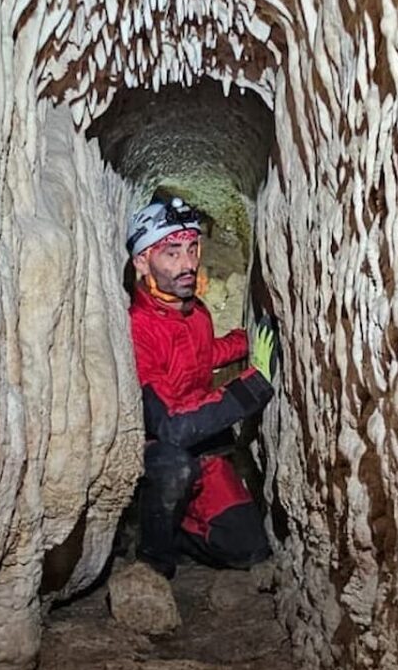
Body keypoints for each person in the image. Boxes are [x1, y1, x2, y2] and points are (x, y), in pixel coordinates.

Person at [125, 196, 277, 579]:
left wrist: (249, 340)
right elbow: (171, 427)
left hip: (203, 445)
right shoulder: (138, 328)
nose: (188, 264)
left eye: (192, 249)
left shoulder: (193, 310)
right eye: (172, 253)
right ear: (142, 262)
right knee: (174, 466)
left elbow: (204, 354)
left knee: (250, 547)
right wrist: (252, 385)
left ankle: (176, 531)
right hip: (157, 447)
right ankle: (152, 563)